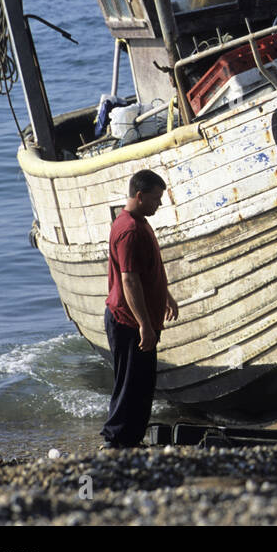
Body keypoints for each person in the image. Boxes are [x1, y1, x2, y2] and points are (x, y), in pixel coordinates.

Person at [100, 169, 179, 448]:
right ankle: (115, 441)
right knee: (130, 384)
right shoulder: (129, 230)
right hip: (128, 322)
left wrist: (165, 295)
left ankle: (131, 440)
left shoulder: (138, 222)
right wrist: (144, 324)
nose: (160, 203)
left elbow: (147, 271)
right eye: (156, 198)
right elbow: (129, 280)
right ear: (140, 195)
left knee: (143, 385)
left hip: (139, 320)